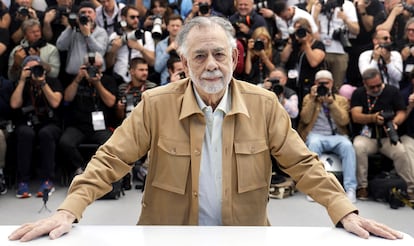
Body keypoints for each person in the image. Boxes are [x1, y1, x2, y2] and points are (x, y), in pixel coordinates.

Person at [8, 16, 403, 242]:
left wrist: (344, 211)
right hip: (167, 239)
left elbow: (304, 165)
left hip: (244, 239)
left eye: (219, 54)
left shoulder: (264, 105)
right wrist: (68, 211)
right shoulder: (155, 104)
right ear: (183, 59)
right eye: (199, 55)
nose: (211, 64)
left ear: (233, 56)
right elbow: (111, 159)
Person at [350, 67, 414, 201]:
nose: (375, 89)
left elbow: (401, 111)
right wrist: (373, 118)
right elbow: (355, 115)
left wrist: (395, 123)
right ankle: (362, 187)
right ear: (365, 83)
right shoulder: (359, 93)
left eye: (378, 85)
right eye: (372, 87)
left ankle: (409, 188)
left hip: (388, 136)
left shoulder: (391, 91)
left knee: (401, 152)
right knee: (358, 147)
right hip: (368, 136)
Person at [298, 70, 357, 203]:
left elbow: (344, 121)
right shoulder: (309, 98)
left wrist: (332, 103)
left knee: (348, 146)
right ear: (315, 84)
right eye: (320, 83)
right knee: (313, 145)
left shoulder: (340, 99)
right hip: (315, 134)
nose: (324, 85)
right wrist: (313, 100)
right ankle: (313, 189)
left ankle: (350, 189)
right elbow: (305, 119)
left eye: (326, 83)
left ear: (332, 83)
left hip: (336, 135)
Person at [9, 55, 63, 199]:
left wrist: (43, 83)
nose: (34, 71)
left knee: (46, 133)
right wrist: (21, 80)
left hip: (49, 124)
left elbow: (55, 103)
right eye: (30, 69)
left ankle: (48, 180)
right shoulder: (21, 84)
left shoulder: (52, 82)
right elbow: (14, 104)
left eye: (36, 68)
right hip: (27, 123)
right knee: (25, 133)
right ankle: (23, 182)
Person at [58, 52, 117, 177]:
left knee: (110, 143)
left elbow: (111, 102)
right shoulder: (77, 79)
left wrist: (97, 83)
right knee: (65, 142)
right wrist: (78, 79)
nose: (93, 70)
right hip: (78, 126)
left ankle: (99, 172)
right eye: (90, 67)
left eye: (97, 67)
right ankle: (81, 167)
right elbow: (67, 98)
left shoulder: (108, 80)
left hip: (100, 127)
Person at [105, 5, 155, 85]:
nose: (136, 20)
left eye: (138, 17)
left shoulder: (146, 35)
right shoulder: (114, 36)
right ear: (123, 18)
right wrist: (114, 49)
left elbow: (152, 62)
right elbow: (108, 64)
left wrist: (140, 48)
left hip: (140, 80)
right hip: (118, 79)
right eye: (132, 17)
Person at [8, 18, 61, 83]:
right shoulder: (17, 51)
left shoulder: (51, 49)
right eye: (32, 32)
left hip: (46, 84)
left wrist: (38, 61)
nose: (36, 34)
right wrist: (16, 64)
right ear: (25, 35)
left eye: (38, 31)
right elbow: (11, 78)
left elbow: (54, 74)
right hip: (23, 85)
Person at [154, 13, 183, 85]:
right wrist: (167, 50)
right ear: (167, 27)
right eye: (172, 25)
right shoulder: (160, 45)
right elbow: (157, 68)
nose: (175, 28)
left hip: (185, 80)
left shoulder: (188, 44)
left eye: (178, 26)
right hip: (165, 82)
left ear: (182, 28)